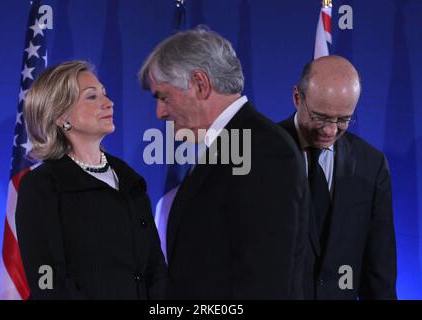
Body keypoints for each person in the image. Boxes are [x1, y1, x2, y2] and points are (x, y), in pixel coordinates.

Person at [138, 26, 309, 299]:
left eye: (164, 96)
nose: (160, 113)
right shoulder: (229, 143)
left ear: (199, 84)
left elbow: (264, 283)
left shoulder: (263, 150)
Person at [16, 60, 166, 299]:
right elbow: (47, 280)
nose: (109, 103)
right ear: (60, 116)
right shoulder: (43, 186)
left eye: (105, 94)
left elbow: (155, 266)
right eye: (91, 97)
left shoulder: (130, 180)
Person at [279, 55, 397, 299]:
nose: (330, 130)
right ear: (297, 97)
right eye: (321, 117)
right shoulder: (261, 152)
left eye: (343, 119)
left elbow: (380, 269)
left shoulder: (371, 165)